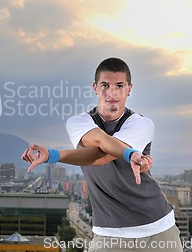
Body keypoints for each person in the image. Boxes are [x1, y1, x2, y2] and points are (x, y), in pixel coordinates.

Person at [22, 57, 182, 252]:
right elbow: (99, 145)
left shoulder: (141, 124)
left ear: (129, 89)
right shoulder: (78, 122)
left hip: (158, 230)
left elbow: (104, 156)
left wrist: (54, 155)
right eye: (105, 85)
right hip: (109, 234)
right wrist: (131, 154)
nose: (112, 92)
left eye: (119, 86)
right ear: (95, 87)